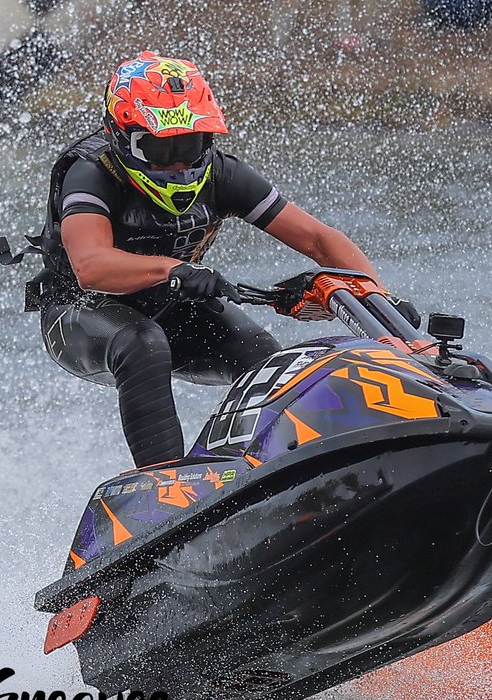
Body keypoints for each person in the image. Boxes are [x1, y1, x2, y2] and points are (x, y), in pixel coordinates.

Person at [33, 50, 418, 469]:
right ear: (122, 138)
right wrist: (173, 269)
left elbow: (319, 240)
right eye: (159, 149)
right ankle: (163, 484)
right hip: (79, 313)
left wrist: (377, 297)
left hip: (169, 305)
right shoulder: (90, 173)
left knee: (265, 359)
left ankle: (274, 472)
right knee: (142, 343)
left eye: (190, 146)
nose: (178, 165)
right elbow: (90, 267)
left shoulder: (221, 174)